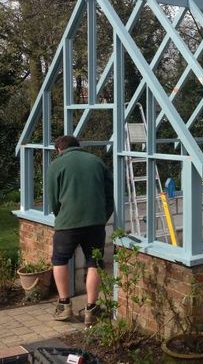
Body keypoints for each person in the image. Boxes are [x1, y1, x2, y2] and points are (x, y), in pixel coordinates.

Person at [47, 135, 114, 325]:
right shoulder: (97, 162)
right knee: (94, 261)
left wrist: (61, 216)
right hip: (95, 222)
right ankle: (91, 309)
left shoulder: (56, 165)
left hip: (67, 222)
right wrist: (102, 217)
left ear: (59, 149)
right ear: (79, 147)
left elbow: (53, 199)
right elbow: (111, 195)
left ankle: (64, 305)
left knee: (59, 259)